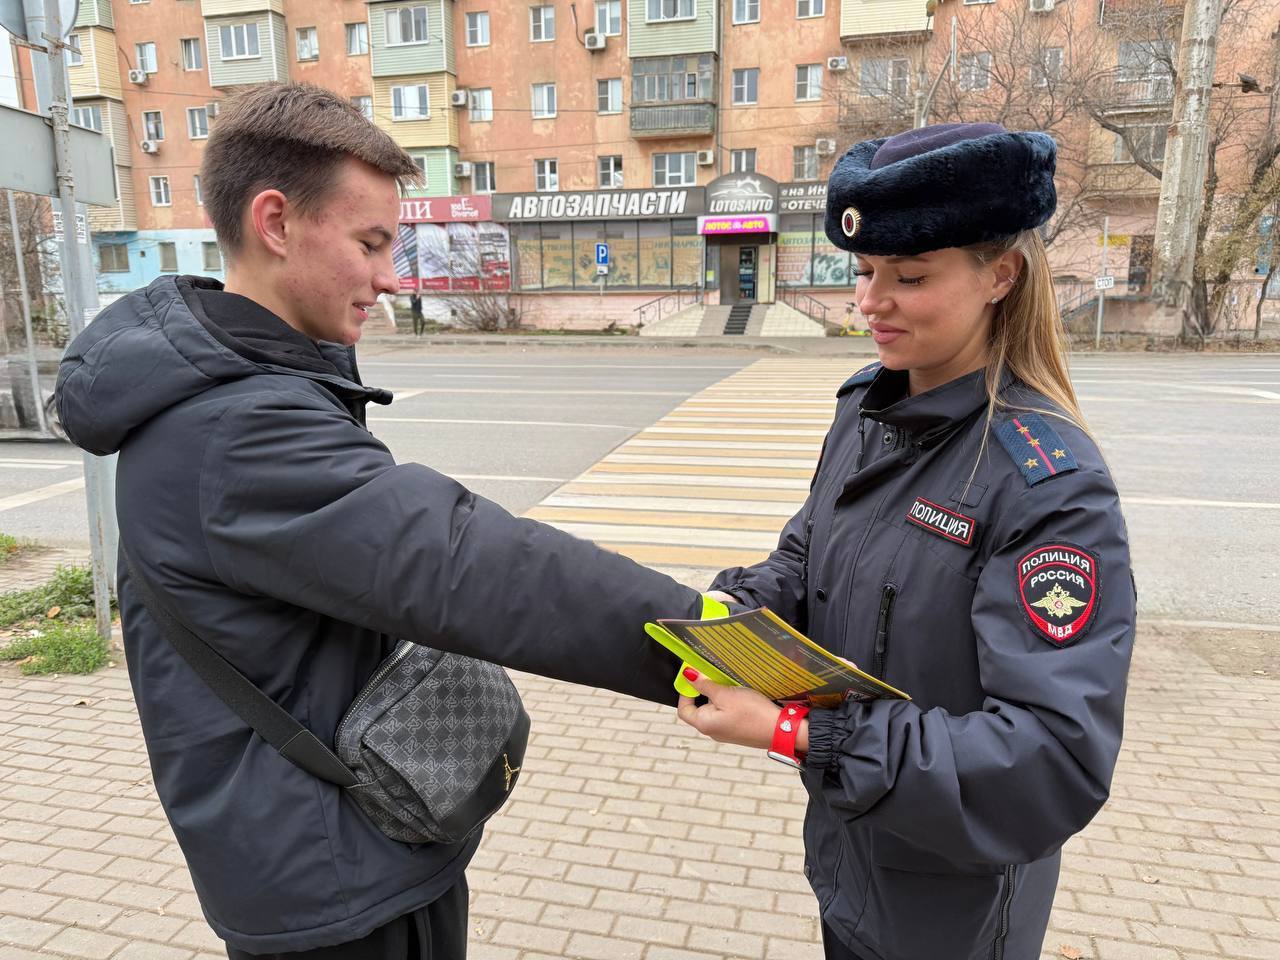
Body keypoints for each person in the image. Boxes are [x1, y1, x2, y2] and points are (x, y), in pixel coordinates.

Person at [55, 83, 705, 959]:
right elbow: (467, 562)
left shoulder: (246, 386)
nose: (389, 276)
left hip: (332, 842)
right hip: (334, 877)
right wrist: (710, 643)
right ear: (277, 223)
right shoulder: (239, 429)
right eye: (370, 243)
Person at [676, 123, 1137, 960]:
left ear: (1002, 274)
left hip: (952, 909)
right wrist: (733, 614)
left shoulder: (1047, 485)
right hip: (854, 859)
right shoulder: (867, 410)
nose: (870, 301)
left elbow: (1049, 761)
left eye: (910, 277)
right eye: (863, 272)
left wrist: (800, 735)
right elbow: (807, 557)